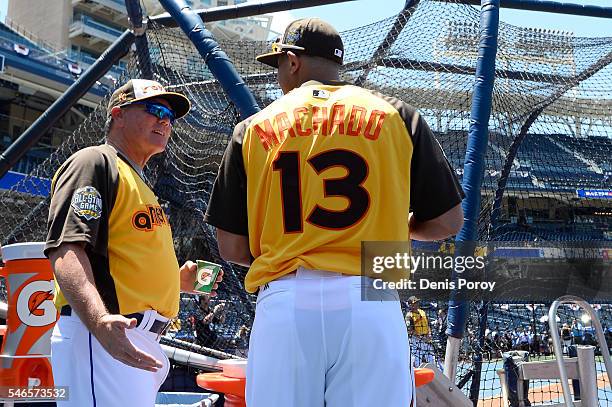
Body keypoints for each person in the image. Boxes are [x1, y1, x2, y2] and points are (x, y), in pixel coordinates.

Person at [204, 18, 464, 407]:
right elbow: (448, 221)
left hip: (285, 302)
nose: (278, 75)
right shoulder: (397, 114)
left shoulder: (252, 128)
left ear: (292, 62)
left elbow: (232, 248)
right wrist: (397, 226)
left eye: (278, 65)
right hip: (370, 298)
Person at [45, 79, 223, 406]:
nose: (165, 120)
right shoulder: (95, 162)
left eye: (169, 115)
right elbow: (66, 249)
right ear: (118, 114)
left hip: (136, 340)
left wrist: (178, 281)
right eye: (155, 109)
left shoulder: (140, 182)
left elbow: (122, 263)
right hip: (103, 334)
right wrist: (98, 322)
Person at [405, 296, 435, 367]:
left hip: (426, 339)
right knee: (416, 361)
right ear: (409, 305)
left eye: (417, 302)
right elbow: (410, 331)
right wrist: (421, 337)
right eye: (414, 303)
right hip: (416, 341)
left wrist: (429, 335)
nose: (416, 304)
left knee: (431, 360)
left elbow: (428, 324)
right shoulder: (409, 316)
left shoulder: (422, 312)